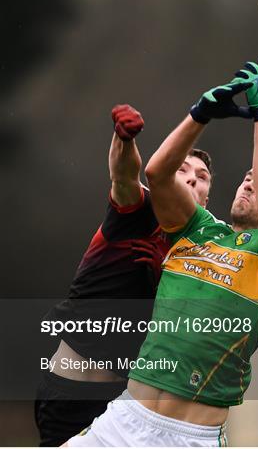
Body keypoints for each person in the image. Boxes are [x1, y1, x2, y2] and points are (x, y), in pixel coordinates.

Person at [64, 58, 258, 448]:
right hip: (125, 419)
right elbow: (158, 172)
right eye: (246, 178)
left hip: (188, 438)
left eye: (256, 179)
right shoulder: (199, 229)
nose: (249, 184)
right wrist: (200, 114)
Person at [35, 104, 213, 446]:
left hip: (127, 405)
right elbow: (124, 177)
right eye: (181, 169)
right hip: (71, 392)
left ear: (207, 197)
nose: (192, 177)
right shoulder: (141, 208)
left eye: (202, 176)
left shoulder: (202, 249)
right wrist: (124, 138)